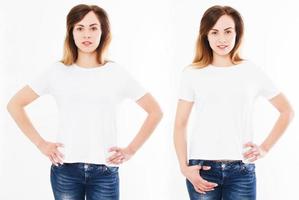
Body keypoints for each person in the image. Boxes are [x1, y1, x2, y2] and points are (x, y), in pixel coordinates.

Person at [6, 4, 163, 200]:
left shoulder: (116, 73)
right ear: (71, 32)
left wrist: (131, 150)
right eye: (80, 28)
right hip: (66, 171)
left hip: (105, 172)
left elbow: (155, 111)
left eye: (93, 28)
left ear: (103, 32)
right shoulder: (57, 71)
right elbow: (14, 104)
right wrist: (41, 144)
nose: (86, 34)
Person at [173, 5, 294, 200]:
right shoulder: (192, 73)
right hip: (202, 169)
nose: (222, 39)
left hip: (241, 172)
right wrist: (184, 168)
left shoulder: (250, 71)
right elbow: (180, 124)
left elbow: (286, 111)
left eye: (228, 31)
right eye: (215, 32)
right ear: (206, 35)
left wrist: (264, 148)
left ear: (237, 33)